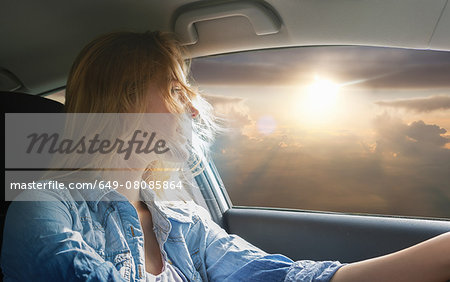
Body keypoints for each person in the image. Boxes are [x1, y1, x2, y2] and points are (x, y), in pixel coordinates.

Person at [1, 31, 449, 282]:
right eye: (176, 90)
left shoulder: (183, 220)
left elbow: (282, 278)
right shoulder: (44, 205)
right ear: (125, 99)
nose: (194, 108)